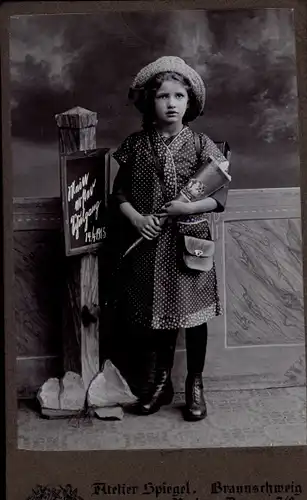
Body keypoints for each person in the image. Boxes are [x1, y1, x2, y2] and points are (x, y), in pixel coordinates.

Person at [109, 56, 231, 421]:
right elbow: (119, 195)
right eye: (164, 95)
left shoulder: (201, 144)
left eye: (180, 95)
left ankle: (195, 385)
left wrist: (185, 210)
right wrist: (138, 219)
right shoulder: (135, 145)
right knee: (155, 319)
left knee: (193, 320)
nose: (172, 103)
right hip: (149, 245)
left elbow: (219, 197)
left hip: (188, 245)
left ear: (190, 103)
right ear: (150, 101)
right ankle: (160, 385)